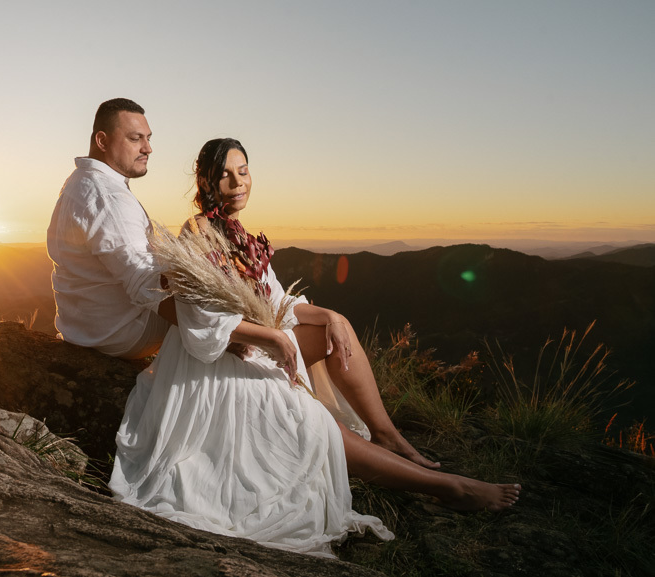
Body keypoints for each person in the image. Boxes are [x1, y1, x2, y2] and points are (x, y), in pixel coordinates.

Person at [109, 138, 520, 557]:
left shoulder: (240, 234)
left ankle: (387, 435)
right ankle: (449, 488)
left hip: (254, 346)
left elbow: (274, 303)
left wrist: (330, 316)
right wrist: (271, 337)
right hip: (216, 363)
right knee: (312, 423)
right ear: (206, 182)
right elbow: (197, 318)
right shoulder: (197, 233)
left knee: (334, 330)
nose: (237, 183)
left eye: (244, 171)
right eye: (225, 175)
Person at [46, 98, 175, 359]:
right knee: (219, 315)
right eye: (135, 138)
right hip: (122, 333)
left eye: (148, 138)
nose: (148, 148)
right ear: (102, 141)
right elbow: (145, 285)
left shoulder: (81, 182)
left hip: (84, 328)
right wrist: (225, 332)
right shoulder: (108, 197)